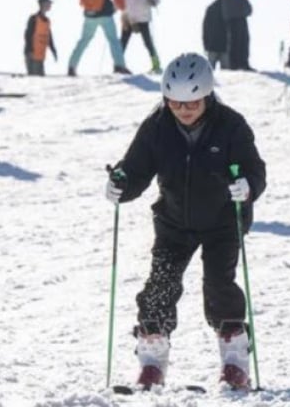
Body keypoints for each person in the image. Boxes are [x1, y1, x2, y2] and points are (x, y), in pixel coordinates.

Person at [105, 52, 267, 390]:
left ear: (207, 95)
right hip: (174, 221)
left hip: (223, 221)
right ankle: (152, 364)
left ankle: (235, 362)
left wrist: (247, 186)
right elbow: (135, 167)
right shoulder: (157, 126)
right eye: (176, 103)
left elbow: (255, 169)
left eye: (192, 103)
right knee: (159, 287)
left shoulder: (231, 125)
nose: (184, 110)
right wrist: (122, 183)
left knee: (219, 286)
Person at [120, 0, 162, 74]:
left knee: (148, 42)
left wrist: (153, 1)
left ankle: (156, 64)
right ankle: (118, 65)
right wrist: (119, 11)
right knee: (122, 42)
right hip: (128, 17)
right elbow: (118, 0)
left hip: (143, 17)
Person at [24, 0, 58, 76]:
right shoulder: (33, 18)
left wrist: (53, 51)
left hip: (41, 55)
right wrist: (30, 50)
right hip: (32, 55)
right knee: (34, 80)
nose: (50, 6)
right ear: (43, 4)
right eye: (48, 3)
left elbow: (49, 38)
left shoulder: (47, 21)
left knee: (41, 80)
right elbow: (27, 35)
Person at [203, 0, 229, 69]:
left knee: (209, 72)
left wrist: (206, 44)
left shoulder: (210, 8)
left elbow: (205, 28)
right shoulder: (229, 9)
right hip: (224, 46)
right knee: (226, 73)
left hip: (212, 45)